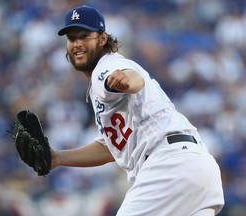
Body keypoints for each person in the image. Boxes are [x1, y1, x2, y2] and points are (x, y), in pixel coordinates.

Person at [51, 5, 224, 216]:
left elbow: (132, 78)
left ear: (103, 38)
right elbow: (110, 148)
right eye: (71, 38)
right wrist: (57, 158)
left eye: (85, 36)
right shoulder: (105, 83)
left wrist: (125, 81)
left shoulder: (107, 67)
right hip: (197, 167)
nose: (77, 43)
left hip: (168, 166)